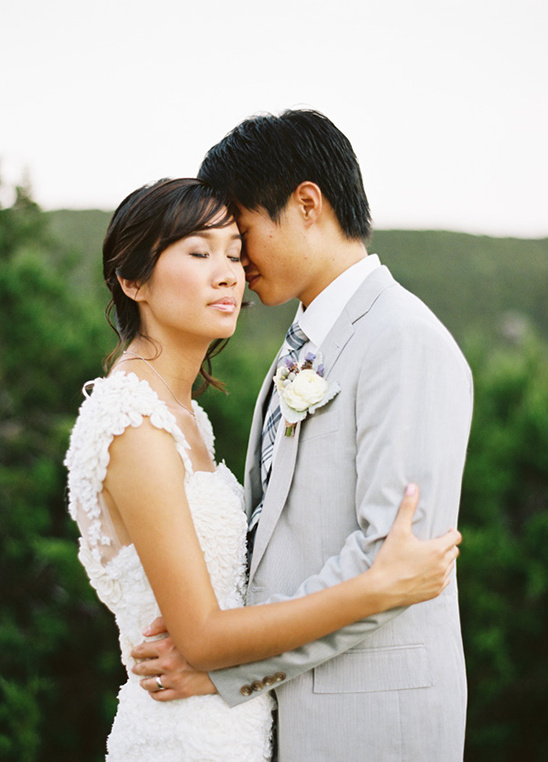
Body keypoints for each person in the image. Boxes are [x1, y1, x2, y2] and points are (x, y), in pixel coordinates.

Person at [65, 177, 461, 762]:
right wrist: (375, 587)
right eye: (199, 253)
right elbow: (198, 636)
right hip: (184, 737)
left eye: (234, 252)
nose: (229, 273)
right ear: (131, 280)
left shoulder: (187, 417)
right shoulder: (135, 422)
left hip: (237, 727)